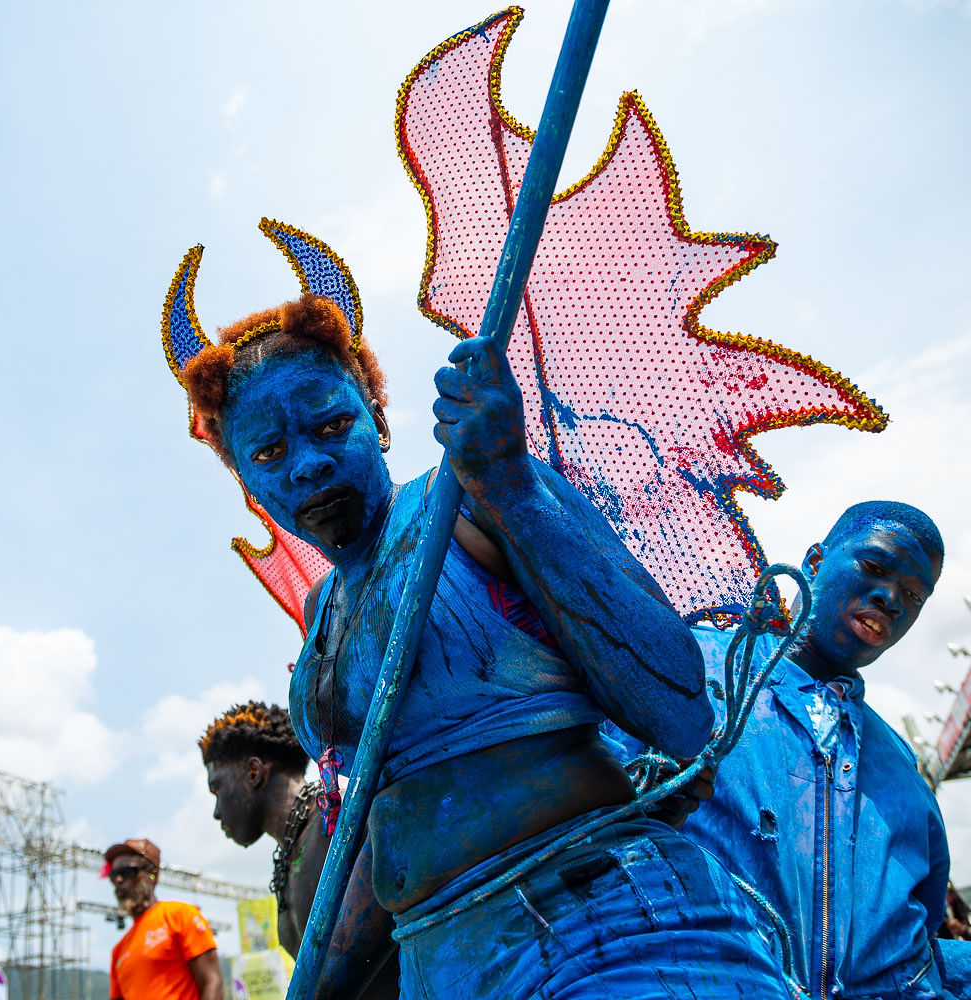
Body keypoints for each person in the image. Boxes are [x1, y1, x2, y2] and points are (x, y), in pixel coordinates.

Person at [176, 290, 786, 998]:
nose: (306, 464)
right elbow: (387, 831)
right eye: (270, 451)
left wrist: (513, 488)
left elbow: (680, 710)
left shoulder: (463, 498)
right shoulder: (320, 616)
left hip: (605, 930)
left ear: (377, 418)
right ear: (244, 479)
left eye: (332, 424)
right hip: (446, 961)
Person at [617, 502, 971, 999]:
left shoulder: (901, 770)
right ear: (816, 562)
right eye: (874, 568)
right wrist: (625, 811)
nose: (891, 598)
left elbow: (897, 960)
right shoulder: (688, 669)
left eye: (914, 595)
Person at [198, 701, 398, 997]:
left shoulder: (343, 816)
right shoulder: (287, 859)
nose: (216, 811)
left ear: (254, 772)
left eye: (217, 789)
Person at [105, 838, 223, 1000]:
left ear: (152, 875)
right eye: (113, 876)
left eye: (127, 872)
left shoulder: (180, 914)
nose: (118, 880)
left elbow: (212, 982)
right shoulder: (118, 951)